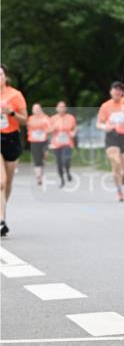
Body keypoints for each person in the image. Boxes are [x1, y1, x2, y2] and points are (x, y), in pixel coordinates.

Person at [0, 64, 28, 237]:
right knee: (0, 182)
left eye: (0, 74)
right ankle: (1, 220)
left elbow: (25, 120)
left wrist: (11, 113)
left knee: (8, 183)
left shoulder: (15, 95)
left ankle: (2, 210)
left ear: (5, 77)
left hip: (12, 139)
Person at [96, 82, 124, 202]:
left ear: (122, 92)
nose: (117, 91)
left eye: (119, 89)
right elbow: (99, 123)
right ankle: (119, 192)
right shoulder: (105, 106)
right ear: (110, 91)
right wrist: (104, 127)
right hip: (111, 136)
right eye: (115, 89)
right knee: (116, 162)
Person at [49, 101, 77, 189]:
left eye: (63, 107)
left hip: (67, 143)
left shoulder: (71, 118)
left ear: (66, 108)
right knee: (59, 163)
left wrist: (73, 133)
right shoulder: (53, 118)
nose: (61, 108)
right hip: (56, 144)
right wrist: (53, 128)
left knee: (66, 160)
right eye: (60, 107)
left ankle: (68, 172)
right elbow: (48, 130)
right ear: (56, 108)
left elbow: (75, 128)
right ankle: (62, 180)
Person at [27, 102, 52, 189]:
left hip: (44, 140)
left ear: (41, 109)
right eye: (35, 109)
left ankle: (41, 169)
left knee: (44, 156)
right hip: (34, 141)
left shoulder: (45, 118)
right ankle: (39, 177)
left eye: (38, 109)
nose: (36, 111)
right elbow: (28, 128)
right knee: (37, 159)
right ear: (32, 110)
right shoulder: (30, 118)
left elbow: (50, 128)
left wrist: (44, 129)